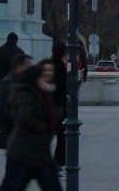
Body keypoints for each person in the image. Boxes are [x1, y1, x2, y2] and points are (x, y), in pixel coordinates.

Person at [0, 61, 62, 191]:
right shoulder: (25, 94)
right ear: (35, 79)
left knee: (52, 186)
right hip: (23, 151)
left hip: (38, 151)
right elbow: (23, 117)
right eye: (42, 75)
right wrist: (42, 127)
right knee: (12, 187)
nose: (46, 76)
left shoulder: (42, 93)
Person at [50, 42, 68, 177]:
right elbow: (62, 85)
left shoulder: (49, 64)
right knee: (62, 136)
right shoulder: (60, 66)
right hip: (58, 105)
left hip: (49, 104)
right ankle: (57, 165)